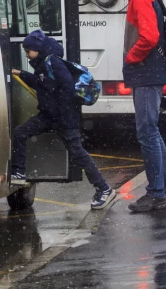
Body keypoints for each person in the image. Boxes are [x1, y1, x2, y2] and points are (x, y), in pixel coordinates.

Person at [11, 29, 116, 210]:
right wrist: (21, 73)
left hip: (63, 118)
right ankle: (20, 172)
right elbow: (40, 82)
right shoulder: (43, 63)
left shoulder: (52, 61)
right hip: (49, 116)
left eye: (28, 51)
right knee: (20, 133)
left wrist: (60, 110)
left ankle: (104, 189)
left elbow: (66, 85)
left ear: (37, 49)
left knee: (78, 153)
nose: (27, 55)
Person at [110, 0, 166, 212]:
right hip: (151, 72)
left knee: (147, 132)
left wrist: (131, 58)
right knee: (152, 132)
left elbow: (148, 38)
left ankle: (157, 193)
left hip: (146, 73)